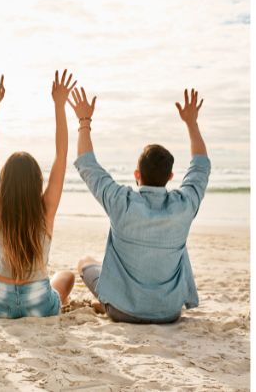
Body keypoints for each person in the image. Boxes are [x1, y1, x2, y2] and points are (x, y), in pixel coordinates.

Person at [72, 87, 210, 324]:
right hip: (169, 313)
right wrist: (191, 124)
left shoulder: (121, 202)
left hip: (123, 311)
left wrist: (84, 121)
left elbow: (88, 165)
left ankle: (105, 303)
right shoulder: (184, 206)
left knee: (85, 262)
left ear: (137, 174)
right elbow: (200, 167)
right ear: (170, 177)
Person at [0, 71, 77, 319]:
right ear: (37, 181)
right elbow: (61, 156)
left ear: (5, 181)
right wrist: (59, 106)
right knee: (67, 277)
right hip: (39, 303)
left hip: (0, 303)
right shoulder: (46, 209)